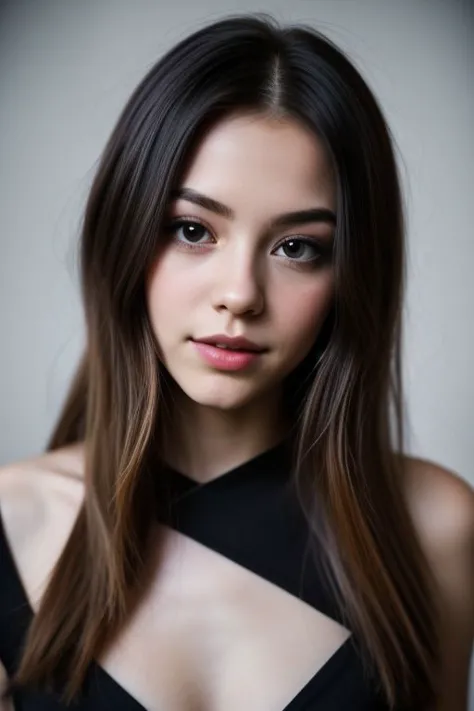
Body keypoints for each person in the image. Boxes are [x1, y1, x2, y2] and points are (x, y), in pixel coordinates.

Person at [0, 12, 473, 711]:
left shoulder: (434, 526)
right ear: (125, 235)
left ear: (351, 273)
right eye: (193, 230)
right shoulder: (13, 522)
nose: (240, 295)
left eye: (297, 247)